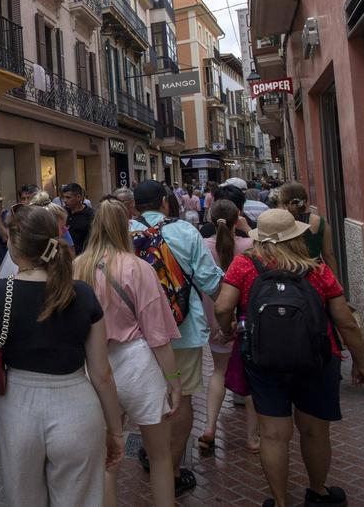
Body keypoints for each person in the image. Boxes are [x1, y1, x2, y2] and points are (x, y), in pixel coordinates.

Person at [0, 203, 125, 506]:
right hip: (77, 405)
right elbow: (102, 373)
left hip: (18, 408)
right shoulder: (82, 293)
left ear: (12, 242)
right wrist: (115, 430)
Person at [214, 209, 364, 507]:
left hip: (263, 360)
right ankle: (318, 492)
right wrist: (360, 362)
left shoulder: (244, 265)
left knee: (273, 435)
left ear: (260, 238)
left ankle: (280, 500)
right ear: (297, 236)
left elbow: (222, 307)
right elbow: (346, 322)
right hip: (318, 360)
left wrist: (229, 329)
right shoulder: (318, 270)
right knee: (314, 430)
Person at [73, 200, 182, 507]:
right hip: (136, 364)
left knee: (108, 460)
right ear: (126, 227)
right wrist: (173, 380)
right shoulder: (139, 268)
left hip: (94, 365)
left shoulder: (76, 268)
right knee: (160, 456)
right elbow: (157, 333)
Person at [129, 180, 224, 497]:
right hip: (182, 331)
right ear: (165, 203)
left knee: (148, 398)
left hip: (136, 334)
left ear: (133, 206)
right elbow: (211, 281)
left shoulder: (123, 233)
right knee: (181, 398)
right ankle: (171, 468)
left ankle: (151, 452)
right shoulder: (184, 232)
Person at [198, 199, 260, 456]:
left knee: (219, 372)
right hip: (247, 322)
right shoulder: (249, 247)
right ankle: (253, 437)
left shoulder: (202, 247)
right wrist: (248, 229)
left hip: (215, 321)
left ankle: (210, 427)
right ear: (238, 219)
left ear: (211, 220)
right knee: (251, 378)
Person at [279, 182, 341, 281]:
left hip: (288, 279)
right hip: (316, 277)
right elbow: (328, 255)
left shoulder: (277, 223)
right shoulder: (320, 222)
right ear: (305, 200)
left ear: (283, 203)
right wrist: (336, 281)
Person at [61, 183, 94, 254]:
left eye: (68, 197)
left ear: (78, 197)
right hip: (66, 256)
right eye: (63, 197)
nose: (65, 200)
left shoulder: (90, 215)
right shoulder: (63, 212)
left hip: (84, 255)